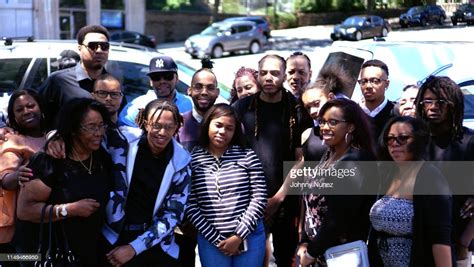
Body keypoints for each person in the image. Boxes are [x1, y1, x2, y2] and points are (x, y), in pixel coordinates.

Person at [233, 54, 312, 267]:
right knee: (250, 259)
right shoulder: (242, 108)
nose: (268, 78)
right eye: (264, 73)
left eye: (275, 73)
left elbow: (301, 160)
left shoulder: (296, 109)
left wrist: (277, 199)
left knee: (285, 258)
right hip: (247, 200)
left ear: (284, 76)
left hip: (285, 199)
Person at [16, 98, 112, 266]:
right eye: (91, 127)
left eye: (101, 125)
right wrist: (68, 210)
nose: (99, 133)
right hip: (47, 255)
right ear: (73, 129)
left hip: (86, 253)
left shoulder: (102, 158)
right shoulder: (50, 161)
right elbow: (25, 210)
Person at [102, 99, 191, 267]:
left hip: (153, 240)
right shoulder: (122, 140)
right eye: (156, 125)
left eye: (169, 127)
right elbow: (84, 134)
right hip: (111, 233)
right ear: (144, 122)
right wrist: (55, 137)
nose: (162, 132)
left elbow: (173, 213)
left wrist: (133, 248)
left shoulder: (182, 161)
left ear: (177, 127)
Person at [296, 98, 377, 266]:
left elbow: (338, 218)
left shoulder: (356, 161)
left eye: (333, 122)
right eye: (322, 122)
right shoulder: (329, 154)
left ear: (351, 126)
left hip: (341, 255)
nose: (325, 127)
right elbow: (311, 201)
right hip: (317, 250)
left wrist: (311, 253)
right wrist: (304, 241)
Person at [186, 104, 267, 267]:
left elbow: (259, 198)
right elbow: (190, 204)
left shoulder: (247, 155)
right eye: (218, 125)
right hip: (211, 240)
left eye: (229, 128)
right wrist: (217, 239)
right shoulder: (193, 159)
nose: (223, 132)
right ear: (207, 124)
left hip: (249, 237)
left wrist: (238, 236)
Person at [370, 116, 453, 266]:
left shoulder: (430, 178)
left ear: (419, 140)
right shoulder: (387, 175)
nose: (394, 144)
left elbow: (440, 238)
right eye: (390, 139)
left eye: (402, 138)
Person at [414, 76, 474, 266]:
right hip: (416, 238)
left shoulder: (468, 142)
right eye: (428, 101)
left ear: (453, 104)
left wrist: (464, 241)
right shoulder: (414, 141)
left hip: (455, 242)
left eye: (441, 102)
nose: (433, 107)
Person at [0, 90, 47, 263]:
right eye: (19, 110)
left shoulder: (55, 137)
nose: (26, 111)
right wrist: (17, 176)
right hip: (24, 229)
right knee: (24, 260)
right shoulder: (12, 140)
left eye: (30, 106)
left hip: (52, 221)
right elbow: (5, 179)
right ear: (13, 117)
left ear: (41, 107)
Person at [39, 25, 110, 128]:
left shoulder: (112, 84)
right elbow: (38, 116)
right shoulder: (59, 81)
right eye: (93, 46)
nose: (99, 51)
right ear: (80, 49)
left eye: (104, 46)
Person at [118, 56, 193, 127]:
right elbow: (123, 132)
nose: (162, 81)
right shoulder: (136, 106)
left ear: (177, 78)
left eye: (168, 76)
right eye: (156, 77)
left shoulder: (190, 103)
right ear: (150, 81)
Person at [178, 68, 220, 152]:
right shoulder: (179, 125)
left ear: (217, 92)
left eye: (210, 88)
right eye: (198, 87)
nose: (204, 92)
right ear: (190, 91)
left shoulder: (228, 124)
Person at [358, 59, 395, 139]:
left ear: (387, 84)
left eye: (375, 81)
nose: (368, 86)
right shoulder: (350, 113)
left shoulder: (395, 114)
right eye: (363, 81)